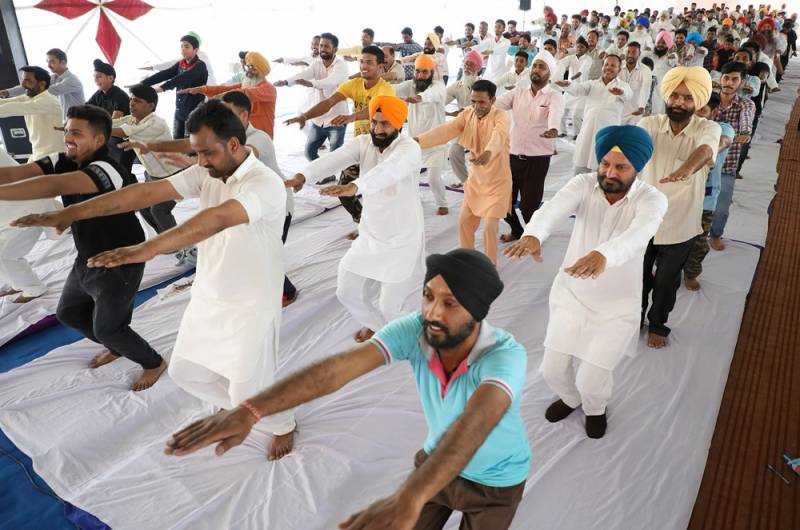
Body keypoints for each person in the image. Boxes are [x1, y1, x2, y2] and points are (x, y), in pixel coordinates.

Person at [165, 248, 531, 530]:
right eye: (427, 295)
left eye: (450, 303)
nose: (432, 312)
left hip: (494, 486)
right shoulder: (417, 329)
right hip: (435, 464)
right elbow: (338, 370)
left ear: (477, 311)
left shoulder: (505, 356)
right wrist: (251, 410)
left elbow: (475, 425)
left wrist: (410, 495)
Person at [18, 100, 295, 458]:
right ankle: (239, 407)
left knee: (248, 382)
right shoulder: (206, 171)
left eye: (206, 153)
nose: (200, 162)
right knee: (186, 371)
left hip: (253, 301)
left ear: (234, 145)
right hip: (211, 291)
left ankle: (281, 423)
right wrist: (72, 212)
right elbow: (146, 192)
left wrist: (145, 250)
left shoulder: (264, 184)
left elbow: (217, 219)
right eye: (196, 153)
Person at [505, 125, 667, 438]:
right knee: (551, 371)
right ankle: (570, 399)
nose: (609, 172)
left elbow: (639, 234)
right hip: (572, 296)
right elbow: (552, 209)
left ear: (638, 167)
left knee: (592, 380)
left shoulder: (652, 199)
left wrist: (603, 255)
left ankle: (595, 408)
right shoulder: (584, 183)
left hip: (616, 307)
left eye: (621, 167)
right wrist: (535, 234)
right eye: (605, 163)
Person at [3, 105, 166, 390]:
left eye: (76, 133)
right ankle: (117, 345)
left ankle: (152, 362)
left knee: (109, 327)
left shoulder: (108, 169)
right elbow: (18, 175)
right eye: (66, 131)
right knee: (69, 313)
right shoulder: (63, 159)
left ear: (99, 140)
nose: (68, 138)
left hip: (121, 259)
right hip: (87, 255)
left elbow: (52, 185)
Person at [286, 96, 424, 343]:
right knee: (346, 291)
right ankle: (379, 327)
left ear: (399, 125)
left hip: (402, 238)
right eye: (374, 122)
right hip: (371, 233)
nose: (377, 129)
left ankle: (411, 336)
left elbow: (389, 171)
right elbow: (334, 158)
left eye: (385, 124)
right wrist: (303, 175)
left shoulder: (409, 148)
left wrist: (355, 186)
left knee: (390, 305)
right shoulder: (364, 143)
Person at [637, 66, 721, 349]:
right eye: (675, 96)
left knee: (665, 282)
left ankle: (658, 324)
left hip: (680, 224)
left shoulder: (708, 128)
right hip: (644, 220)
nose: (679, 102)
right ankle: (633, 319)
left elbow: (706, 150)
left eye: (687, 98)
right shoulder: (649, 124)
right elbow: (633, 149)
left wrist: (686, 168)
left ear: (698, 101)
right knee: (637, 277)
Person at [285, 46, 395, 234]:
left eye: (369, 62)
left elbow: (377, 111)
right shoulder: (354, 84)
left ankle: (382, 229)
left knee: (380, 193)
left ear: (381, 67)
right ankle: (362, 222)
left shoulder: (386, 89)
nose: (364, 65)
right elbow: (328, 103)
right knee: (344, 190)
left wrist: (352, 117)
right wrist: (305, 116)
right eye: (362, 61)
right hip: (362, 145)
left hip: (384, 148)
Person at [417, 80, 511, 265]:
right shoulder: (468, 114)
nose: (476, 106)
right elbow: (446, 130)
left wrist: (488, 153)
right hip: (476, 180)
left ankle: (489, 267)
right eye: (473, 101)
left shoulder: (501, 116)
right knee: (464, 224)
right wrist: (418, 141)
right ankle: (469, 262)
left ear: (493, 100)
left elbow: (498, 135)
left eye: (482, 102)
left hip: (497, 182)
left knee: (490, 229)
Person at [218, 91, 299, 307]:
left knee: (266, 254)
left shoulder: (258, 139)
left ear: (244, 116)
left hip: (278, 207)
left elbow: (244, 154)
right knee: (257, 252)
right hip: (255, 205)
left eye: (229, 114)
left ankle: (287, 292)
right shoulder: (229, 138)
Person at [495, 50, 564, 242]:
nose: (536, 70)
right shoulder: (518, 92)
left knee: (528, 209)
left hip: (537, 159)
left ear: (549, 73)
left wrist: (553, 129)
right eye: (535, 65)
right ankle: (518, 231)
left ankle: (536, 234)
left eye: (542, 67)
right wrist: (479, 103)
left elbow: (555, 115)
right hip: (512, 156)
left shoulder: (554, 96)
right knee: (502, 203)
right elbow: (496, 104)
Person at [110, 84, 185, 238]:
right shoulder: (133, 119)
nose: (131, 103)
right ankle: (164, 238)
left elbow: (121, 131)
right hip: (152, 175)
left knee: (159, 210)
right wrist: (87, 123)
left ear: (151, 106)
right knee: (142, 205)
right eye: (131, 99)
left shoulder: (156, 123)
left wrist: (95, 128)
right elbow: (112, 123)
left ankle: (178, 245)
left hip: (172, 176)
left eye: (137, 100)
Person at [275, 33, 349, 174]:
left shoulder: (341, 66)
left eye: (326, 46)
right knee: (309, 152)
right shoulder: (317, 63)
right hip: (318, 118)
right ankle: (325, 173)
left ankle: (334, 176)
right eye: (321, 45)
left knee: (335, 156)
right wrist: (286, 82)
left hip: (337, 119)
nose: (322, 49)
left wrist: (312, 83)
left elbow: (331, 81)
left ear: (335, 49)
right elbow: (303, 74)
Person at [682, 93, 734, 290]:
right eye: (695, 109)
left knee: (698, 243)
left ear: (714, 112)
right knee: (669, 238)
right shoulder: (683, 128)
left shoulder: (723, 128)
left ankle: (691, 273)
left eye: (703, 110)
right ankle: (664, 267)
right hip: (679, 197)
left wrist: (707, 149)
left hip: (705, 199)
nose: (698, 114)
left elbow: (724, 142)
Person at [0, 147, 60, 303]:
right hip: (13, 208)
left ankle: (33, 289)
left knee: (5, 254)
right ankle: (19, 283)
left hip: (26, 207)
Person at [556, 55, 632, 174]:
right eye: (606, 64)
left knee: (601, 170)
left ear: (619, 69)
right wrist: (568, 85)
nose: (609, 68)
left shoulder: (622, 86)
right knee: (580, 168)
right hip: (587, 132)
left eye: (613, 65)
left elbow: (628, 95)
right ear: (602, 67)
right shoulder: (593, 84)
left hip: (607, 136)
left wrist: (621, 93)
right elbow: (578, 89)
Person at [395, 55, 450, 215]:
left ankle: (442, 203)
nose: (420, 76)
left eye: (425, 72)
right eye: (418, 71)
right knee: (408, 177)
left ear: (432, 72)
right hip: (415, 144)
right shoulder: (411, 85)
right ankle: (414, 198)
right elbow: (392, 89)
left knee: (433, 179)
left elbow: (431, 94)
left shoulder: (438, 86)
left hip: (436, 145)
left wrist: (419, 97)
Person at [709, 62, 754, 251]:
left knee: (722, 206)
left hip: (726, 165)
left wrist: (745, 132)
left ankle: (716, 234)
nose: (729, 82)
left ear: (741, 82)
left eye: (734, 79)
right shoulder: (709, 101)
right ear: (720, 79)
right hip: (702, 163)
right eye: (726, 78)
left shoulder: (745, 104)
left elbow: (745, 121)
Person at [180, 51, 276, 138]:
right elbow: (224, 89)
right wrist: (201, 89)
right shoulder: (247, 83)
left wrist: (222, 96)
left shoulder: (269, 89)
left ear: (256, 69)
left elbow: (245, 94)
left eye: (247, 66)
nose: (244, 69)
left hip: (261, 136)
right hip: (245, 133)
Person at [140, 34, 209, 138]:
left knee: (190, 143)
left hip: (194, 110)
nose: (183, 50)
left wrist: (162, 88)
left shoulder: (200, 66)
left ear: (195, 50)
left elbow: (182, 78)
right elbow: (166, 73)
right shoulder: (181, 63)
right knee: (176, 139)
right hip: (180, 109)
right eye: (181, 46)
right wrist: (144, 83)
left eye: (187, 47)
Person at [1, 48, 85, 121]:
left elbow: (46, 91)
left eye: (52, 62)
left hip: (78, 121)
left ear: (62, 62)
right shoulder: (53, 78)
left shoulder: (72, 80)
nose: (48, 65)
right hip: (66, 122)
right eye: (47, 61)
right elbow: (31, 86)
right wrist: (7, 92)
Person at [0, 66, 64, 161]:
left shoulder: (48, 101)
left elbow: (10, 108)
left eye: (28, 80)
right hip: (37, 154)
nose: (22, 84)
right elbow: (4, 102)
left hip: (52, 157)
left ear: (42, 84)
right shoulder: (30, 97)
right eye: (23, 80)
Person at [87, 59, 134, 172]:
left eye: (99, 76)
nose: (95, 80)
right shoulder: (98, 94)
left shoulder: (120, 95)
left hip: (122, 138)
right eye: (94, 77)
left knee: (122, 170)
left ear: (111, 78)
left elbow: (115, 119)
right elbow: (86, 110)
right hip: (107, 135)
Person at [444, 51, 483, 186]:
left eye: (471, 64)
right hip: (464, 126)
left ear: (478, 68)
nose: (467, 67)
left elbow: (477, 107)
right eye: (466, 63)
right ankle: (466, 182)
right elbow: (442, 98)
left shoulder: (483, 84)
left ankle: (480, 183)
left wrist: (456, 113)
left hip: (481, 127)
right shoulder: (458, 85)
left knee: (478, 157)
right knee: (454, 152)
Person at [618, 42, 653, 124]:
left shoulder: (645, 70)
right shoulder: (618, 66)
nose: (630, 55)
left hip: (634, 112)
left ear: (639, 54)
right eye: (628, 52)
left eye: (634, 52)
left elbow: (645, 88)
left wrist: (641, 106)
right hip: (617, 109)